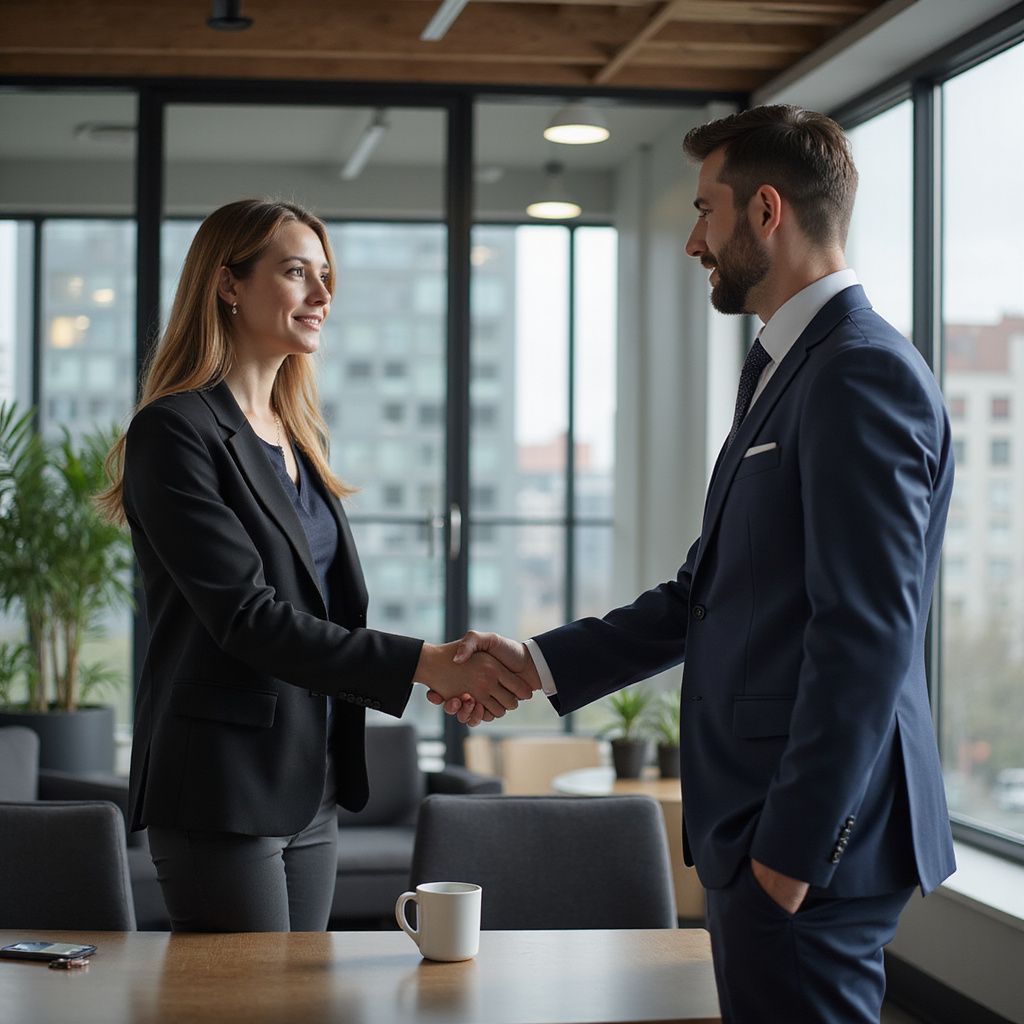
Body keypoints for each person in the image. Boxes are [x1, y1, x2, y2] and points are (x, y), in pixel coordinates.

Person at [435, 106, 955, 1024]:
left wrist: (789, 859)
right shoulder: (788, 369)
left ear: (765, 211)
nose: (691, 242)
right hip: (763, 831)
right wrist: (538, 664)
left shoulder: (858, 372)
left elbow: (868, 635)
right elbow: (703, 596)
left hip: (802, 841)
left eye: (704, 212)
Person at [97, 198, 532, 932]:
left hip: (313, 784)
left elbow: (321, 610)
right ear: (228, 285)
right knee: (248, 1009)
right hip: (223, 789)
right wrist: (427, 663)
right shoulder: (174, 432)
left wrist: (432, 667)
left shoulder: (296, 441)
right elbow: (250, 620)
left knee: (305, 1003)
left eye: (325, 276)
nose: (322, 297)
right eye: (296, 273)